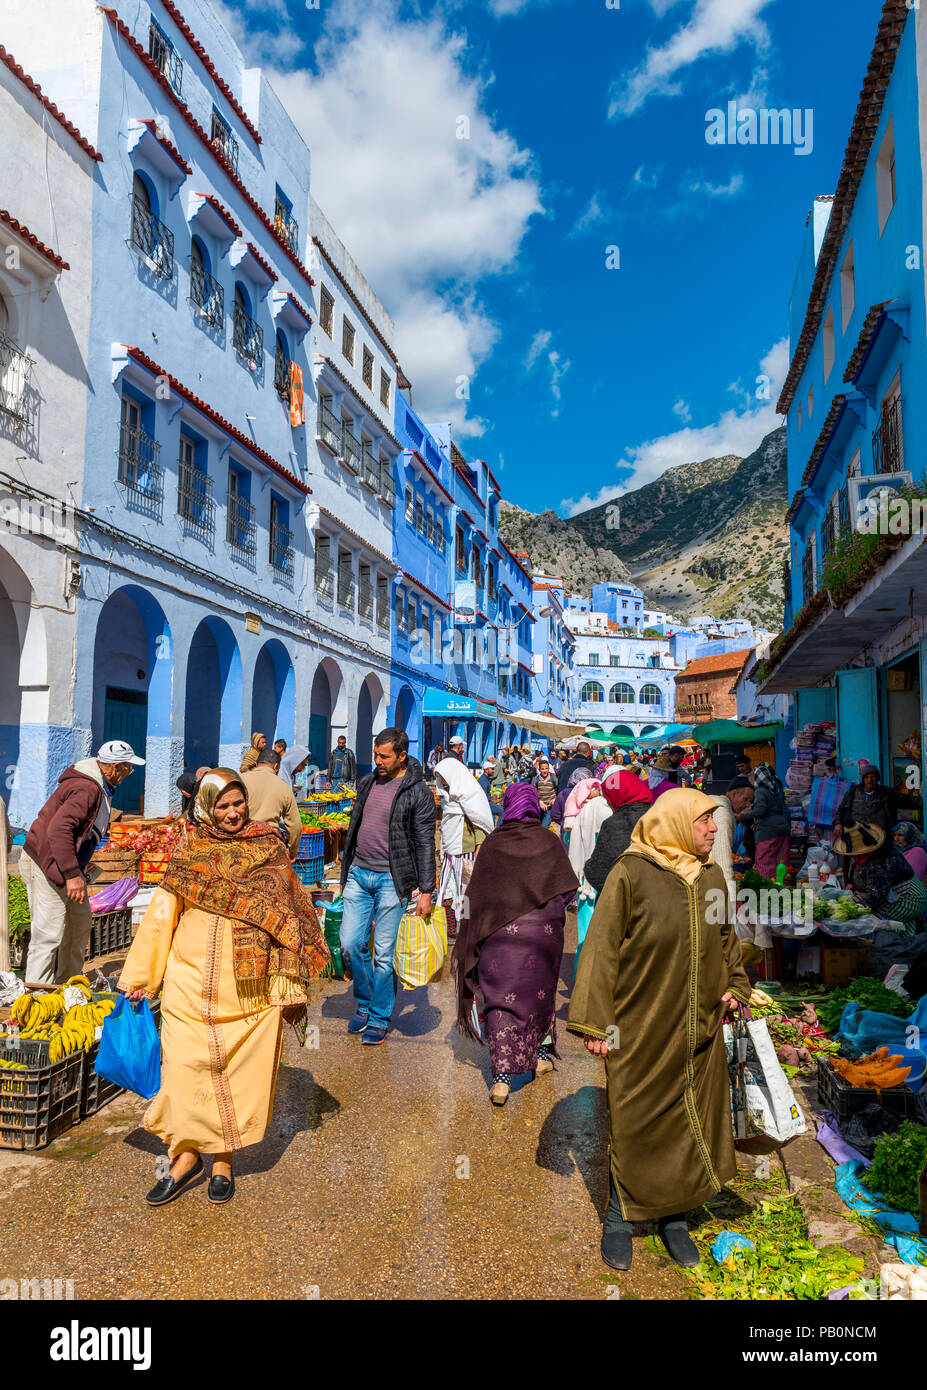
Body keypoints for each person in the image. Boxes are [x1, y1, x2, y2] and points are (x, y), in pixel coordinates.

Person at [120, 770, 329, 1206]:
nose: (232, 813)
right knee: (182, 1069)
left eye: (238, 803)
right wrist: (142, 978)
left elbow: (290, 913)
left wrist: (286, 980)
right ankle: (184, 1156)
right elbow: (163, 914)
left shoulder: (267, 846)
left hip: (246, 991)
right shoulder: (189, 847)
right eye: (223, 805)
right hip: (187, 979)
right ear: (206, 807)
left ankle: (222, 1161)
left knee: (235, 1074)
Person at [567, 789, 750, 1270]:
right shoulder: (631, 873)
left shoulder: (710, 877)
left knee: (688, 1122)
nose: (714, 829)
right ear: (674, 823)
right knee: (635, 1120)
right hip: (640, 1025)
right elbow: (601, 949)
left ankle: (675, 1216)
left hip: (698, 1027)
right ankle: (619, 1217)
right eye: (705, 820)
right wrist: (596, 1023)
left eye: (715, 820)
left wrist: (735, 982)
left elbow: (725, 937)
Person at [453, 782, 578, 1106]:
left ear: (507, 805)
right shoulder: (549, 841)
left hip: (500, 940)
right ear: (535, 806)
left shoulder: (494, 844)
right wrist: (544, 913)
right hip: (543, 938)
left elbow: (476, 896)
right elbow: (567, 890)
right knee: (538, 1000)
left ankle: (502, 1079)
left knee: (502, 1004)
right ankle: (540, 1056)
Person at [339, 729, 437, 1045]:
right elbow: (355, 826)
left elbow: (424, 841)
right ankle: (365, 1001)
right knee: (350, 943)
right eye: (376, 755)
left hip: (390, 881)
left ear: (402, 755)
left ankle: (378, 1016)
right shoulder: (367, 782)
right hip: (358, 874)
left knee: (383, 954)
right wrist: (344, 869)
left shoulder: (418, 791)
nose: (377, 761)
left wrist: (426, 889)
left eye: (384, 756)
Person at [21, 740, 144, 984]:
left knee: (79, 924)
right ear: (116, 767)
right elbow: (59, 829)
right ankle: (36, 996)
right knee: (49, 934)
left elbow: (80, 830)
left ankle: (68, 983)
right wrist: (71, 873)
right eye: (128, 768)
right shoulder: (87, 788)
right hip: (46, 864)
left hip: (63, 863)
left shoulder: (100, 785)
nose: (129, 773)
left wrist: (79, 864)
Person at [835, 820, 927, 935]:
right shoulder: (868, 857)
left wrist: (850, 911)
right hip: (890, 892)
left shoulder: (880, 861)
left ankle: (890, 946)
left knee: (874, 919)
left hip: (911, 897)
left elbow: (875, 897)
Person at [435, 757, 495, 929]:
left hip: (466, 849)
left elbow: (478, 821)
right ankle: (450, 927)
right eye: (440, 778)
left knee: (465, 892)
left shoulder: (470, 793)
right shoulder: (449, 797)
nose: (443, 782)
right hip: (449, 851)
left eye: (444, 777)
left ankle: (465, 927)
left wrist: (479, 845)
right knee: (446, 890)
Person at [583, 769, 654, 896]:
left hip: (623, 907)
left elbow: (598, 875)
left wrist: (588, 866)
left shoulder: (614, 824)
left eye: (608, 798)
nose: (608, 802)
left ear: (616, 796)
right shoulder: (659, 817)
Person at [241, 749, 302, 858]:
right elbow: (295, 826)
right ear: (276, 767)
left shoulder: (241, 780)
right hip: (269, 847)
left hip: (242, 845)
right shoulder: (283, 787)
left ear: (256, 764)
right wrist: (292, 851)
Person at [709, 776, 755, 913]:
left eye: (750, 801)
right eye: (745, 799)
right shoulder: (723, 813)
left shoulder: (716, 803)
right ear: (733, 794)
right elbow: (723, 859)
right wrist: (733, 898)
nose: (748, 805)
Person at [738, 762, 791, 878]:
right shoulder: (776, 790)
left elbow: (761, 810)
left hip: (768, 833)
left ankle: (767, 889)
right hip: (783, 829)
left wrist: (742, 816)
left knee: (765, 861)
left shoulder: (760, 791)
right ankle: (783, 887)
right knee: (781, 861)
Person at [835, 762, 897, 839]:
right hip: (856, 836)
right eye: (866, 777)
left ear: (877, 778)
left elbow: (907, 800)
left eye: (873, 777)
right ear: (863, 779)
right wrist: (838, 824)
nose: (870, 780)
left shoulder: (887, 793)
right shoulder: (852, 793)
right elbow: (841, 810)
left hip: (881, 836)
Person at [893, 821, 927, 887]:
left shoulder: (918, 852)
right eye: (894, 835)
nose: (896, 839)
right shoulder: (901, 851)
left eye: (900, 835)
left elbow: (911, 881)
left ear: (910, 835)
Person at [477, 757, 502, 824]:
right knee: (502, 811)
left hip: (488, 803)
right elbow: (483, 796)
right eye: (492, 769)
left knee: (502, 810)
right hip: (486, 804)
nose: (493, 771)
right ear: (486, 770)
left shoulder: (485, 778)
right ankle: (498, 831)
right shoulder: (483, 781)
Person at [536, 758, 557, 826]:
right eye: (542, 769)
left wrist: (554, 799)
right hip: (540, 806)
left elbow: (557, 790)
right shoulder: (536, 779)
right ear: (539, 770)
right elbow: (534, 792)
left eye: (546, 768)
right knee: (538, 824)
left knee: (545, 825)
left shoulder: (552, 779)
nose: (544, 771)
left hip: (549, 807)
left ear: (548, 769)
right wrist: (539, 801)